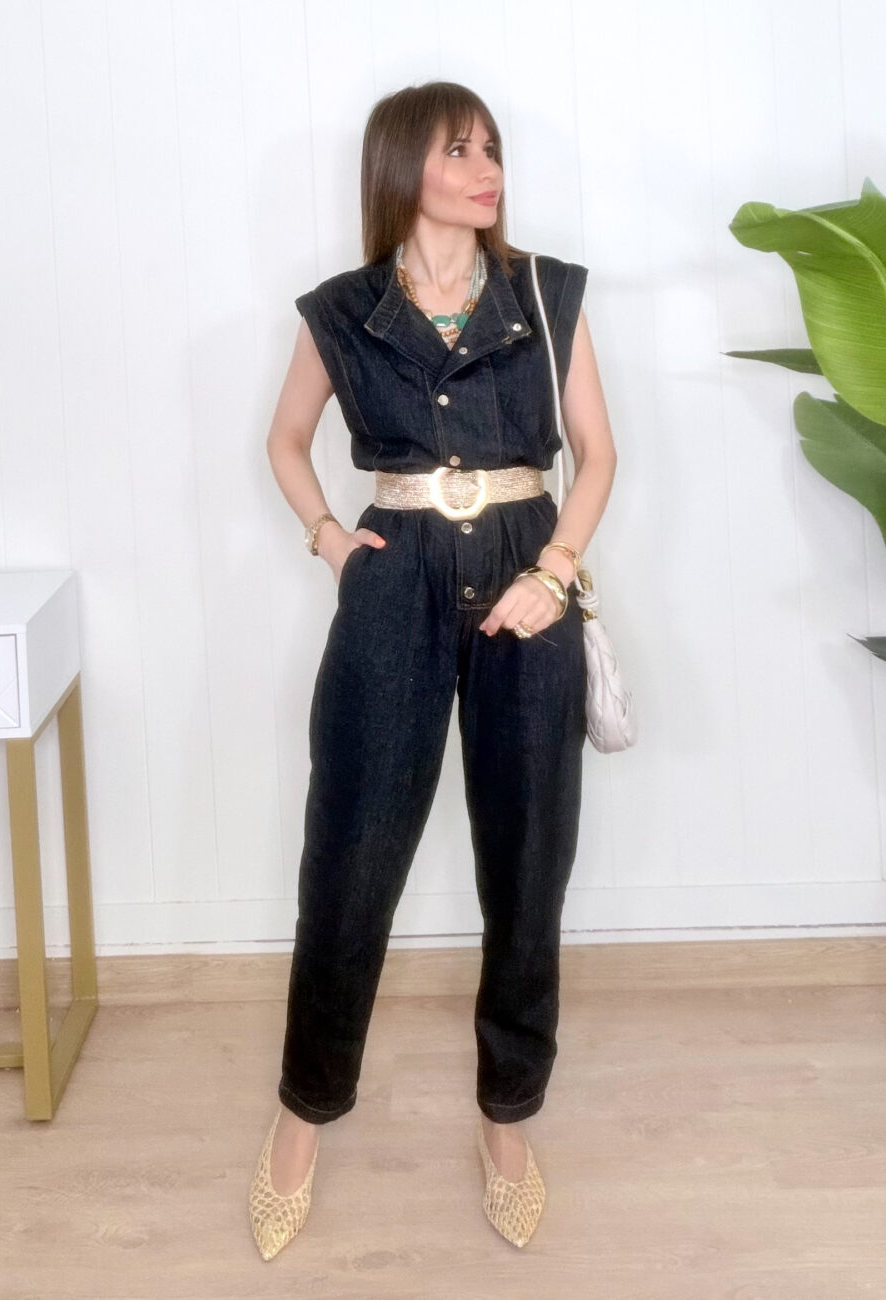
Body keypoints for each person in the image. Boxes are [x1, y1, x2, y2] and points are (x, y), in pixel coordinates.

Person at [249, 80, 617, 1259]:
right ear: (405, 166)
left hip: (527, 574)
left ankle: (507, 1118)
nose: (487, 166)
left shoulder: (545, 292)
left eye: (492, 147)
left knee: (529, 860)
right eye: (461, 149)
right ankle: (302, 1112)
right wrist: (328, 538)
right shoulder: (343, 309)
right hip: (393, 575)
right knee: (350, 857)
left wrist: (555, 571)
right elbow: (284, 440)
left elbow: (599, 455)